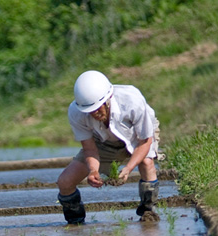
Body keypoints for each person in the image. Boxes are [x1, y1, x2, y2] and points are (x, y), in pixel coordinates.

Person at [57, 70, 161, 224]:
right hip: (103, 141)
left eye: (98, 108)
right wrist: (93, 171)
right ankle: (75, 223)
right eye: (90, 111)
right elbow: (90, 149)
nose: (95, 113)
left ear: (108, 99)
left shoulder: (132, 100)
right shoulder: (76, 112)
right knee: (64, 182)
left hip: (137, 136)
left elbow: (145, 141)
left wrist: (127, 170)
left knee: (146, 163)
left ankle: (148, 212)